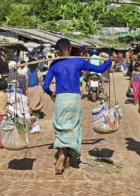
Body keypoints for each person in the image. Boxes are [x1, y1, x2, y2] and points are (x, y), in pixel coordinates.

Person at [43, 38, 113, 174]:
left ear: (58, 51)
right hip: (75, 98)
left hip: (61, 98)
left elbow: (46, 86)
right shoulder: (79, 61)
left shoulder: (54, 64)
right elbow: (100, 68)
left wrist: (51, 93)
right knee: (74, 127)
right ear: (70, 49)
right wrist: (109, 61)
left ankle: (61, 153)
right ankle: (68, 157)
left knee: (60, 127)